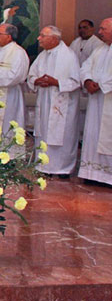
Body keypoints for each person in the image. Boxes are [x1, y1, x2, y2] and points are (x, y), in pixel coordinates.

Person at [27, 26, 80, 175]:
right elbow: (31, 75)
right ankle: (43, 166)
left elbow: (76, 81)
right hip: (44, 101)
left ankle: (62, 168)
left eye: (42, 36)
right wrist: (37, 81)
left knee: (61, 134)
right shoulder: (43, 55)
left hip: (62, 104)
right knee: (44, 131)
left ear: (54, 38)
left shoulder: (69, 56)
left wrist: (56, 82)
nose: (39, 38)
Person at [78, 17, 112, 185]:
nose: (99, 33)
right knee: (93, 134)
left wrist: (100, 85)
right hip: (96, 101)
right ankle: (93, 173)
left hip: (108, 100)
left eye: (103, 29)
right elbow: (85, 66)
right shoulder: (100, 49)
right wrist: (87, 81)